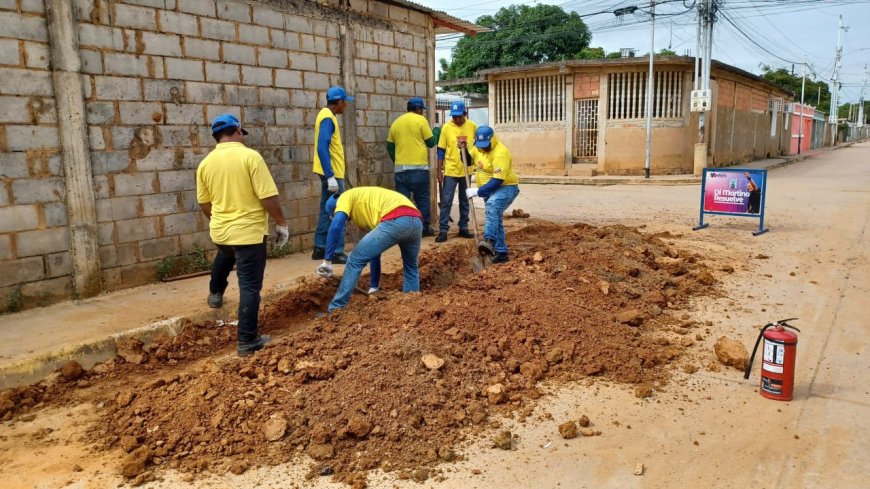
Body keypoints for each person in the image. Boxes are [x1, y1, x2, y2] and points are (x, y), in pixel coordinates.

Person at [196, 114, 288, 357]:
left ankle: (215, 293)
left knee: (225, 255)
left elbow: (204, 203)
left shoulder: (206, 163)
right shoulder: (250, 157)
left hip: (221, 231)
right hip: (248, 234)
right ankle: (247, 341)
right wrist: (281, 223)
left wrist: (217, 221)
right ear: (237, 130)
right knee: (249, 287)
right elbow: (268, 196)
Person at [315, 187, 423, 312]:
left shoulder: (344, 198)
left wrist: (327, 261)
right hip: (416, 220)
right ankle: (412, 308)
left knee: (354, 259)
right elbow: (374, 252)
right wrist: (374, 287)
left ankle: (335, 309)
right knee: (411, 267)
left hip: (395, 219)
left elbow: (336, 227)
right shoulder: (366, 204)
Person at [312, 86, 355, 264]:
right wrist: (330, 176)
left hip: (329, 172)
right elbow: (323, 146)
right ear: (338, 102)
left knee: (325, 210)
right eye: (344, 102)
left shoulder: (325, 116)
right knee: (340, 210)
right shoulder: (328, 118)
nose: (345, 105)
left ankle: (320, 248)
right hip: (332, 173)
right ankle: (336, 251)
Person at [465, 126, 519, 264]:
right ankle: (501, 253)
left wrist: (478, 191)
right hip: (489, 190)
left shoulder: (500, 152)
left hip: (506, 187)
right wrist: (463, 150)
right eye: (480, 145)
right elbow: (467, 159)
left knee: (492, 205)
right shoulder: (478, 147)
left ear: (492, 139)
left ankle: (489, 240)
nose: (482, 148)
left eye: (485, 145)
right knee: (495, 218)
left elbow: (498, 179)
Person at [387, 96, 439, 236]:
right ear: (418, 109)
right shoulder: (421, 120)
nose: (423, 112)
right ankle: (423, 229)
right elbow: (430, 142)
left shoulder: (396, 123)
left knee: (402, 202)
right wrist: (437, 131)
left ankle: (402, 230)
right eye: (422, 109)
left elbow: (390, 146)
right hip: (419, 170)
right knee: (422, 199)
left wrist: (397, 161)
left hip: (400, 171)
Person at [435, 100, 478, 243]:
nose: (456, 119)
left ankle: (463, 227)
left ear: (465, 114)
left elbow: (478, 147)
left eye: (459, 116)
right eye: (454, 116)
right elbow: (441, 150)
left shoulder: (472, 127)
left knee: (465, 199)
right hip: (451, 170)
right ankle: (443, 230)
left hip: (467, 170)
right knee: (446, 200)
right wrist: (439, 169)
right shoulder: (446, 128)